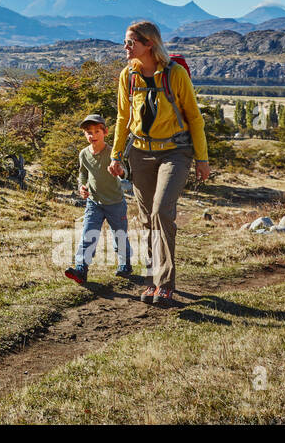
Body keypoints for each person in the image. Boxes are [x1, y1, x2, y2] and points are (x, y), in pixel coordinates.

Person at [108, 20, 210, 306]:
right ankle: (152, 280)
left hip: (174, 153)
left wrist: (202, 159)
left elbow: (194, 118)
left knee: (161, 212)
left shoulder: (175, 75)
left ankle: (165, 284)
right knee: (146, 219)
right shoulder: (127, 76)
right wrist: (116, 155)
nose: (125, 47)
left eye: (131, 43)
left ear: (149, 44)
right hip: (139, 154)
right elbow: (122, 118)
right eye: (126, 42)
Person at [64, 114, 133, 285]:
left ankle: (125, 264)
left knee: (119, 235)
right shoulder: (84, 154)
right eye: (88, 132)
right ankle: (81, 269)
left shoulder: (113, 152)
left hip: (115, 202)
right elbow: (83, 173)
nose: (92, 135)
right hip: (94, 202)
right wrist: (82, 186)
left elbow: (126, 171)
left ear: (105, 132)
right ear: (84, 134)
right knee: (88, 235)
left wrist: (120, 172)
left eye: (96, 131)